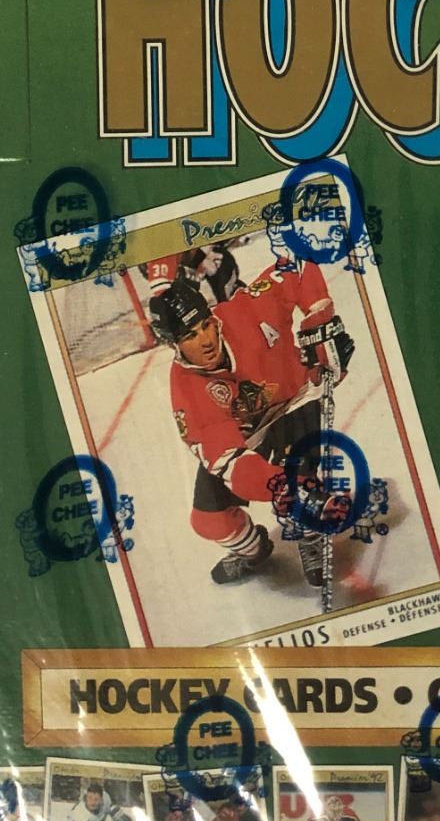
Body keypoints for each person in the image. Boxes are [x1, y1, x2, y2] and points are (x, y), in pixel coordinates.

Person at [148, 249, 353, 588]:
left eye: (205, 325)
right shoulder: (188, 394)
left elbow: (298, 265)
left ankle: (309, 533)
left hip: (295, 403)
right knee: (208, 521)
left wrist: (319, 329)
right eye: (190, 336)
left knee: (299, 483)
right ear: (173, 344)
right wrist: (282, 488)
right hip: (247, 438)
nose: (206, 340)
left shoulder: (246, 311)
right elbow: (235, 466)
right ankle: (255, 550)